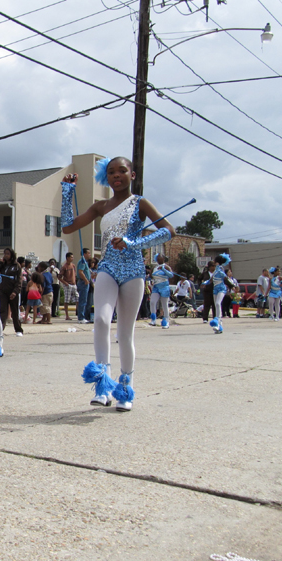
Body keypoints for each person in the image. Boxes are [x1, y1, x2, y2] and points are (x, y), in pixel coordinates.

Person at [61, 158, 175, 412]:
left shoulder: (140, 203)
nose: (116, 175)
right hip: (107, 268)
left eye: (122, 171)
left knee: (125, 333)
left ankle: (125, 389)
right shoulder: (100, 206)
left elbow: (169, 230)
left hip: (133, 270)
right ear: (106, 177)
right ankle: (103, 386)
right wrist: (67, 192)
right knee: (100, 320)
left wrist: (133, 243)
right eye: (111, 172)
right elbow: (68, 227)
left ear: (132, 174)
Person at [0, 248, 23, 337]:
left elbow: (19, 280)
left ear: (12, 255)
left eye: (8, 254)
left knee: (14, 311)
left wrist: (15, 291)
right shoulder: (2, 265)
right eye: (5, 253)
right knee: (2, 311)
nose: (6, 255)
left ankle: (18, 330)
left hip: (13, 291)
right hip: (3, 291)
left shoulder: (16, 265)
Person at [149, 254, 174, 329]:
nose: (159, 259)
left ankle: (166, 321)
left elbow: (171, 275)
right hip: (156, 286)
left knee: (164, 304)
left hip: (164, 286)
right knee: (152, 302)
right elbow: (151, 276)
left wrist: (163, 269)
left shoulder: (166, 267)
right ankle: (153, 319)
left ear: (163, 258)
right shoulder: (154, 267)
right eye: (158, 258)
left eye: (161, 257)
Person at [209, 253, 232, 333]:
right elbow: (213, 278)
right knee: (216, 305)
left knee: (218, 303)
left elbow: (224, 277)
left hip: (221, 289)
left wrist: (232, 286)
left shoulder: (220, 268)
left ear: (216, 261)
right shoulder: (216, 269)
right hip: (215, 289)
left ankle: (217, 320)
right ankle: (219, 324)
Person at [59, 251, 77, 321]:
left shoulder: (73, 265)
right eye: (71, 257)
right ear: (68, 258)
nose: (72, 258)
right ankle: (67, 315)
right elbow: (59, 277)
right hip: (68, 285)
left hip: (74, 284)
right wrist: (65, 283)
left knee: (77, 298)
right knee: (67, 300)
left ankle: (78, 313)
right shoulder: (64, 267)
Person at [75, 249, 92, 324]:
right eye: (88, 253)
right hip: (83, 282)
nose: (90, 254)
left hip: (85, 282)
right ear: (84, 254)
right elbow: (80, 272)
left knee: (85, 300)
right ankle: (81, 317)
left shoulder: (85, 262)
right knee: (83, 300)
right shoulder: (82, 261)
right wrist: (85, 280)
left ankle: (83, 316)